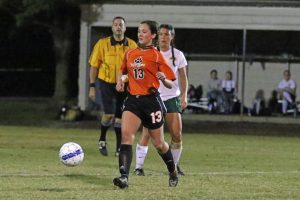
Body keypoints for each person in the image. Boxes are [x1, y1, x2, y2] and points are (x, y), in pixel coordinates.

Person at [113, 20, 178, 189]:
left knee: (159, 144)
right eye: (139, 31)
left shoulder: (156, 55)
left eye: (144, 31)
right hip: (133, 100)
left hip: (151, 102)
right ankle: (124, 177)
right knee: (126, 137)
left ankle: (172, 170)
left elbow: (171, 82)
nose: (140, 34)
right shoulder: (130, 53)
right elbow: (123, 71)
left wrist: (164, 80)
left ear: (153, 35)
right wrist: (120, 81)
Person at [133, 24, 188, 177]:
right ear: (156, 36)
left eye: (167, 34)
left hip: (171, 98)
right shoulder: (149, 53)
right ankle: (138, 167)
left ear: (172, 37)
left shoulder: (178, 55)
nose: (164, 37)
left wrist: (184, 96)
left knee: (177, 134)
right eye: (161, 34)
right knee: (147, 133)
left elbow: (183, 78)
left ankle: (174, 167)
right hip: (152, 98)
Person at [88, 16, 137, 157]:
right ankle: (102, 139)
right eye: (115, 24)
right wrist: (92, 86)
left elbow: (135, 67)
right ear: (112, 27)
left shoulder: (132, 45)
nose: (118, 27)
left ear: (125, 28)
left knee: (120, 117)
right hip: (106, 83)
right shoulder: (102, 44)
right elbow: (94, 66)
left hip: (124, 84)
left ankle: (118, 148)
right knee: (108, 115)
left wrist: (127, 81)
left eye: (121, 24)